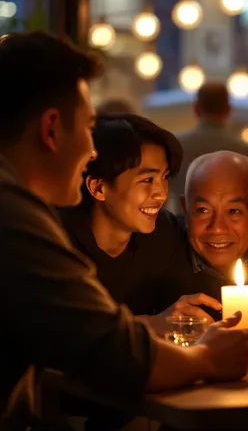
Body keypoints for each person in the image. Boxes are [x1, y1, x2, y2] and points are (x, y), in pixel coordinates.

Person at [0, 32, 248, 427]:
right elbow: (111, 351)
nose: (93, 152)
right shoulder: (15, 217)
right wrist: (208, 357)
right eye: (89, 129)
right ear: (51, 129)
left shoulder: (160, 236)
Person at [60, 113, 221, 330]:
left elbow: (185, 311)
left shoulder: (163, 235)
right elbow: (54, 333)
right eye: (147, 180)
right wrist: (153, 324)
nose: (161, 194)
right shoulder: (56, 241)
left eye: (164, 177)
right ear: (99, 188)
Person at [159, 151, 248, 323]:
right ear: (185, 209)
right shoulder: (160, 251)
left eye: (234, 211)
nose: (217, 228)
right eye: (203, 210)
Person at [169, 82, 248, 214]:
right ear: (228, 110)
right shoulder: (247, 153)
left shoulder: (174, 147)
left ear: (196, 109)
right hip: (234, 229)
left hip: (181, 225)